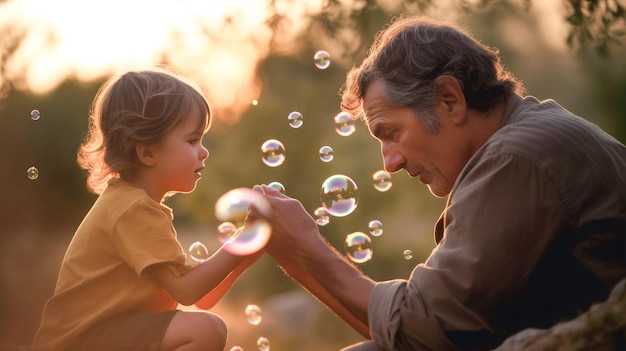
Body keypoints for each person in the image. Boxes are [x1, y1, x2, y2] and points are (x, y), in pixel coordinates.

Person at [251, 15, 626, 351]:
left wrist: (310, 248)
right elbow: (408, 336)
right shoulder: (522, 140)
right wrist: (296, 256)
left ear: (450, 100)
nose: (391, 162)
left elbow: (424, 330)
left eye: (391, 133)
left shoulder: (518, 157)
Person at [31, 68, 262, 351]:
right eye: (192, 140)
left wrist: (245, 253)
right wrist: (240, 242)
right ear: (148, 152)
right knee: (207, 329)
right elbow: (188, 291)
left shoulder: (133, 204)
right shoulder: (132, 209)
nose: (204, 151)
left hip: (99, 337)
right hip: (80, 341)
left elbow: (202, 297)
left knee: (205, 325)